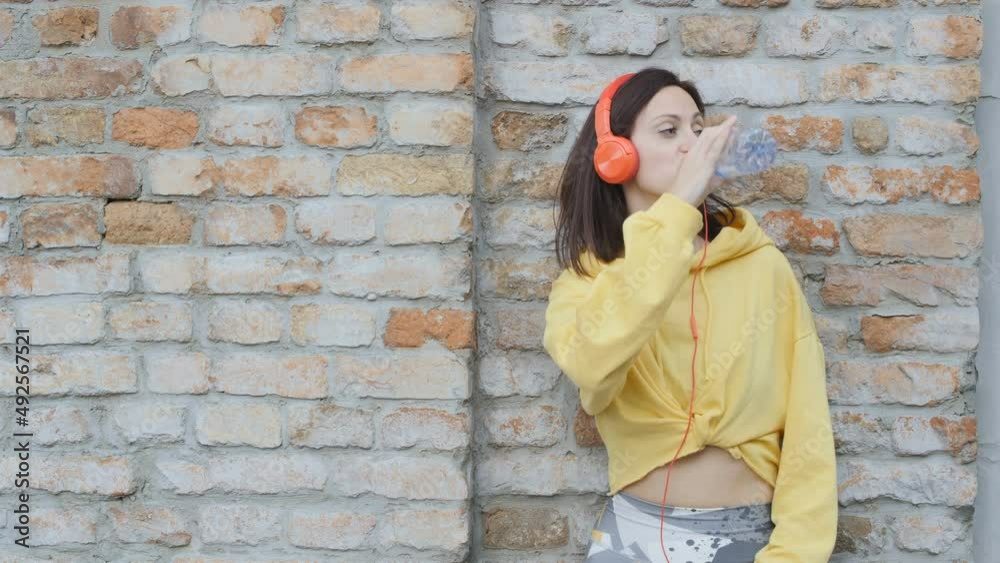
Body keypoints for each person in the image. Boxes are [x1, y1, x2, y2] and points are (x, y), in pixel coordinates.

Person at [542, 67, 838, 562]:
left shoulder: (761, 266)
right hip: (631, 538)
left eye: (699, 129)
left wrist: (796, 554)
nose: (692, 144)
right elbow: (592, 368)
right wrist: (678, 208)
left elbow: (809, 425)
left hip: (748, 536)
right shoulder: (585, 284)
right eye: (669, 130)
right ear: (617, 155)